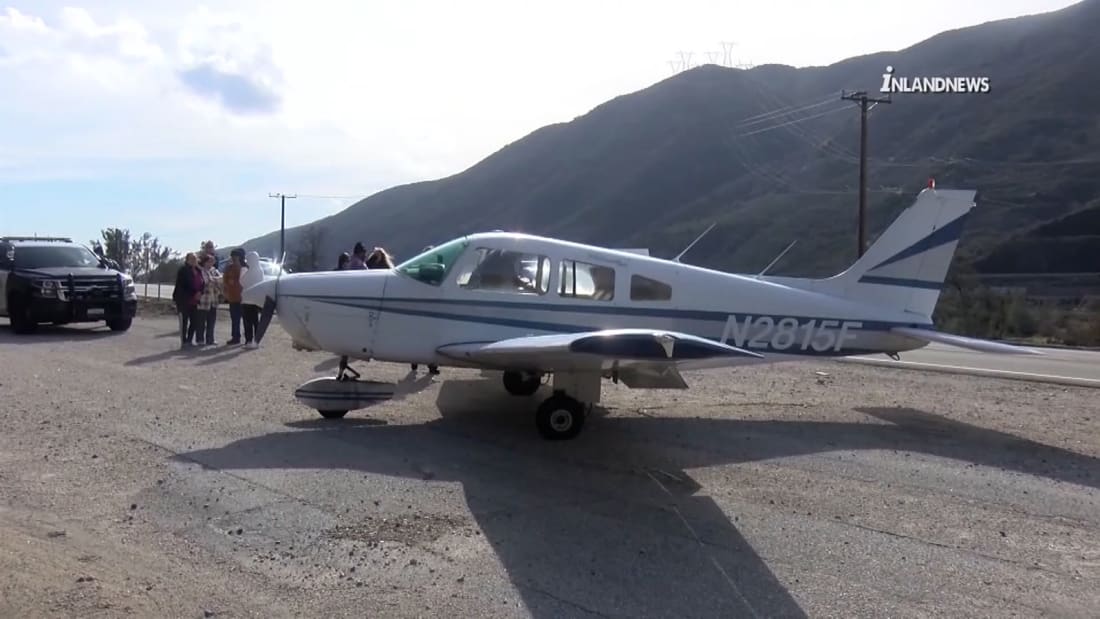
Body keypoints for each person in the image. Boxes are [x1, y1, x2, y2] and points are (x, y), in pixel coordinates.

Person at [172, 252, 203, 349]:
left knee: (195, 321)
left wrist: (200, 292)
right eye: (191, 259)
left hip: (195, 300)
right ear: (187, 260)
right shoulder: (183, 270)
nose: (194, 260)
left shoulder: (198, 270)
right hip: (184, 299)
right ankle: (184, 342)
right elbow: (185, 284)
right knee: (184, 321)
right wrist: (195, 293)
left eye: (195, 258)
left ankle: (189, 340)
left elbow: (202, 282)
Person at [196, 253, 222, 346]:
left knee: (211, 321)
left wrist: (213, 279)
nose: (212, 263)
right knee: (201, 321)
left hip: (213, 300)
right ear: (205, 262)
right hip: (204, 300)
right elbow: (205, 281)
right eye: (210, 261)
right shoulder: (201, 271)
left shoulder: (214, 270)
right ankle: (200, 339)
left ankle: (210, 339)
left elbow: (221, 279)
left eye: (213, 261)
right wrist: (213, 280)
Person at [239, 250, 264, 349]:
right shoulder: (260, 270)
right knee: (255, 320)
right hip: (255, 299)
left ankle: (249, 340)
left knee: (248, 321)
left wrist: (243, 272)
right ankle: (256, 340)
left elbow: (242, 282)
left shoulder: (249, 271)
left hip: (247, 299)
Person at [222, 248, 245, 345]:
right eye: (232, 256)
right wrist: (226, 291)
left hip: (244, 297)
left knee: (247, 319)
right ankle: (235, 337)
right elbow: (225, 280)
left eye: (235, 256)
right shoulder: (229, 268)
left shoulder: (245, 267)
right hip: (233, 297)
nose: (234, 258)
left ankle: (249, 337)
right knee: (234, 318)